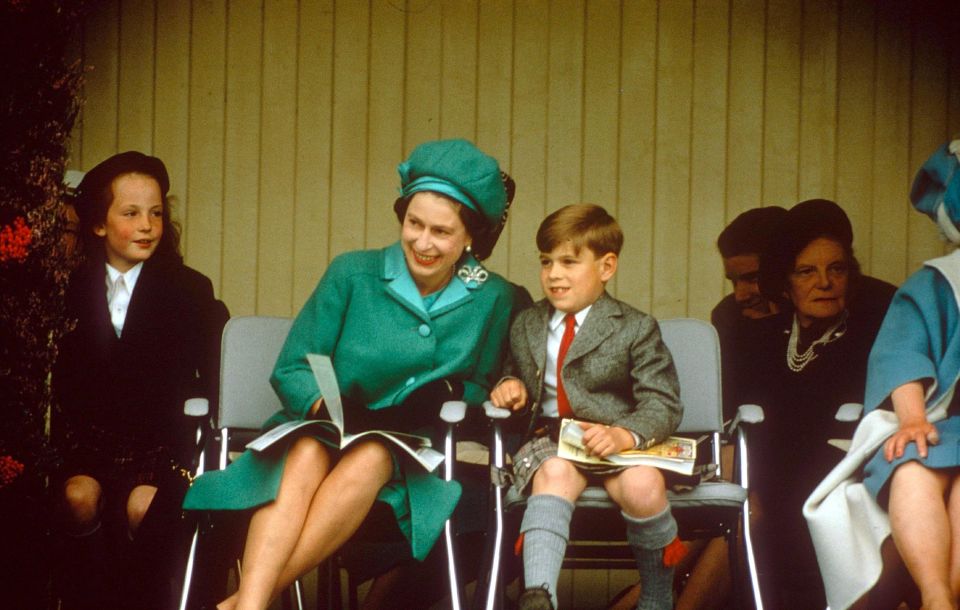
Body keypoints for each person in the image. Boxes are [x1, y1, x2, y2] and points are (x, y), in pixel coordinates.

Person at [182, 138, 518, 610]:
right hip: (323, 432)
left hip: (410, 455)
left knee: (374, 455)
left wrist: (447, 392)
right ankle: (251, 606)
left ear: (470, 237)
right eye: (413, 223)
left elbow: (490, 384)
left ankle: (241, 603)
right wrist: (325, 407)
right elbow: (294, 365)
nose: (423, 242)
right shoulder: (352, 272)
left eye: (441, 232)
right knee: (303, 449)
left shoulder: (496, 298)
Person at [52, 151, 229, 609]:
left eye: (156, 213)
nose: (147, 225)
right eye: (131, 214)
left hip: (161, 450)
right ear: (98, 225)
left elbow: (215, 378)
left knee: (143, 507)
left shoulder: (189, 289)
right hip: (88, 448)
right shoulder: (67, 289)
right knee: (77, 496)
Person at [489, 203, 684, 610]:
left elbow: (662, 401)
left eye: (568, 262)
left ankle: (657, 597)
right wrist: (509, 386)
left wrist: (622, 433)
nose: (554, 274)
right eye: (546, 262)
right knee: (554, 474)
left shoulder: (634, 326)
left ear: (606, 266)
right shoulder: (527, 324)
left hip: (620, 444)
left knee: (644, 486)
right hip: (553, 442)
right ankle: (539, 594)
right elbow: (513, 373)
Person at [806, 140, 960, 610]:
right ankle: (935, 593)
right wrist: (912, 418)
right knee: (912, 470)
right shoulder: (938, 283)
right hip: (940, 425)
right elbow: (902, 355)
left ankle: (948, 595)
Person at [739, 198, 896, 608]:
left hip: (839, 485)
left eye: (836, 269)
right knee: (739, 511)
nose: (824, 283)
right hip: (764, 487)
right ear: (785, 284)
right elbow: (735, 423)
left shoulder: (875, 335)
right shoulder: (759, 340)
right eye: (807, 271)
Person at [711, 206, 787, 419]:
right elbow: (730, 408)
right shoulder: (728, 315)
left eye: (753, 279)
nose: (739, 296)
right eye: (734, 282)